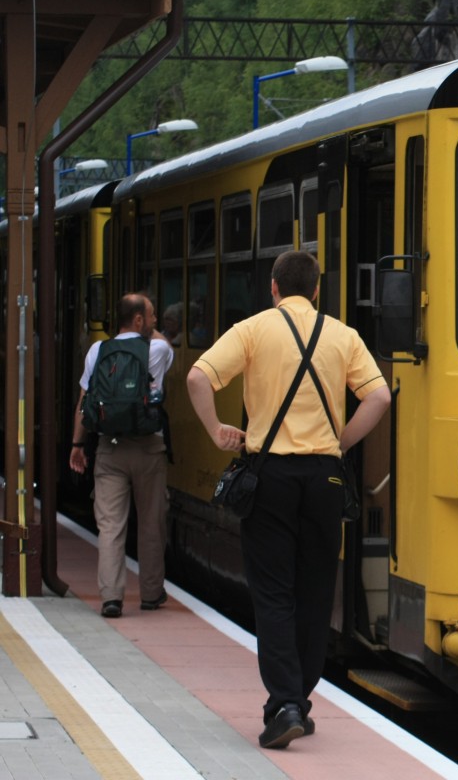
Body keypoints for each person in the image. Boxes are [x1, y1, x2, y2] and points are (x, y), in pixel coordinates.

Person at [186, 251, 390, 750]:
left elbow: (197, 377)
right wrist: (338, 442)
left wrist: (216, 431)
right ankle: (299, 696)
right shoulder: (343, 335)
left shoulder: (254, 329)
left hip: (270, 475)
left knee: (274, 592)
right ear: (317, 290)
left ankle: (285, 704)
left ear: (273, 288)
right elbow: (380, 397)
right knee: (316, 591)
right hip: (324, 479)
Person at [68, 293, 174, 619]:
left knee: (111, 526)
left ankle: (111, 598)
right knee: (151, 523)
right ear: (139, 320)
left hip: (109, 449)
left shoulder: (98, 350)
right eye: (152, 316)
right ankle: (151, 594)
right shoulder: (157, 349)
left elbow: (84, 403)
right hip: (148, 450)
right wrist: (150, 333)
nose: (156, 322)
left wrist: (76, 446)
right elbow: (160, 341)